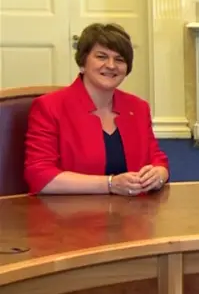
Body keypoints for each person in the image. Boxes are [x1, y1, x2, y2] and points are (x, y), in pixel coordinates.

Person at [24, 23, 169, 196]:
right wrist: (110, 184)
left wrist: (158, 175)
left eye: (119, 59)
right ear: (83, 62)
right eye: (101, 57)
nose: (111, 65)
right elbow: (40, 176)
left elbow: (157, 159)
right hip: (67, 217)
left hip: (133, 216)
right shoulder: (49, 107)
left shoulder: (138, 107)